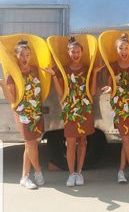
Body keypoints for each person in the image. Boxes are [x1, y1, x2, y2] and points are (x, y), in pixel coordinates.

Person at [45, 36, 103, 186]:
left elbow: (92, 92)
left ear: (82, 52)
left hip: (85, 110)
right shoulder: (63, 70)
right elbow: (60, 93)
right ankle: (71, 174)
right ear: (68, 52)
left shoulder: (86, 69)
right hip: (70, 110)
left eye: (78, 51)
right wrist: (53, 76)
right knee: (70, 142)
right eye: (73, 52)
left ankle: (79, 172)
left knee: (83, 141)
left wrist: (95, 73)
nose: (75, 54)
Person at [0, 40, 45, 189]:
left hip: (36, 111)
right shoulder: (12, 75)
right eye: (22, 55)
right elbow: (11, 99)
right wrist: (2, 85)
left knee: (31, 144)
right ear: (16, 56)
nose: (25, 58)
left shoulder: (34, 69)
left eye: (28, 55)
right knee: (30, 142)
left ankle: (24, 177)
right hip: (22, 113)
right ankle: (38, 171)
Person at [101, 33, 129, 184]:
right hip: (119, 106)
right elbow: (110, 84)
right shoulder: (112, 66)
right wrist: (108, 89)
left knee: (127, 140)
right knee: (126, 139)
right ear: (116, 50)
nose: (124, 50)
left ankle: (121, 171)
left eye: (126, 47)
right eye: (121, 48)